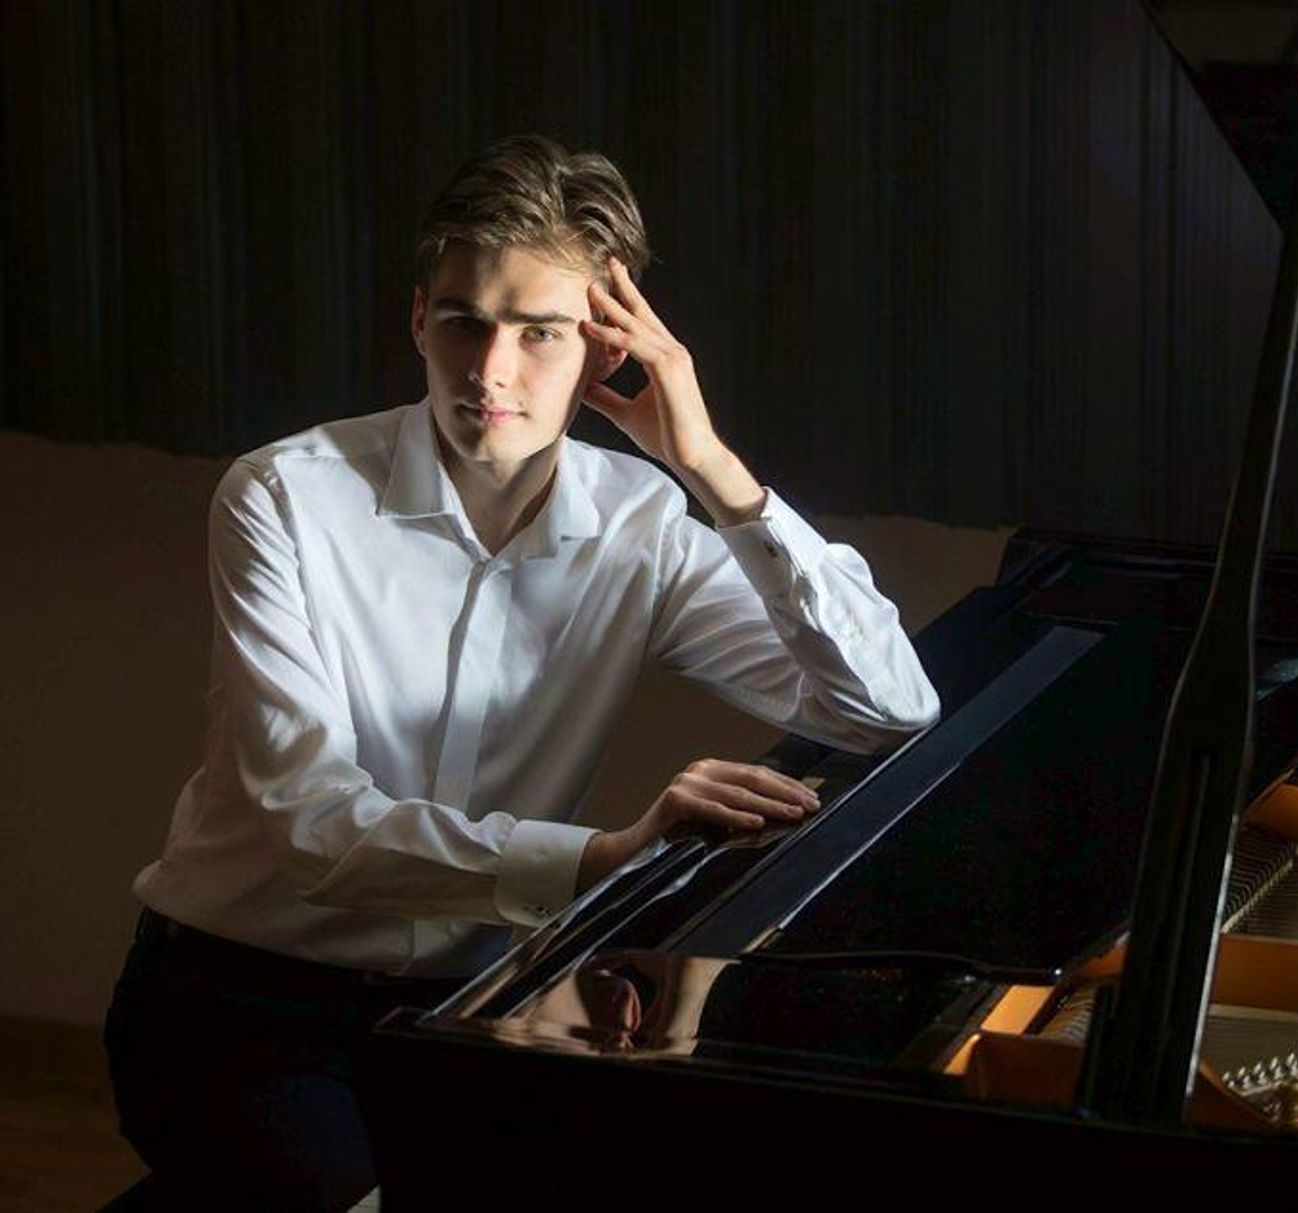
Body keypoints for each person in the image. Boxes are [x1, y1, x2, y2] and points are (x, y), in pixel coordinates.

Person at [103, 133, 939, 1208]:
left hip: (473, 1012)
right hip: (236, 1006)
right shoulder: (283, 496)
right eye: (464, 321)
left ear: (606, 351)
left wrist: (710, 466)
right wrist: (604, 856)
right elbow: (309, 824)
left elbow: (887, 709)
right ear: (419, 320)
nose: (491, 370)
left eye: (541, 332)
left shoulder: (642, 522)